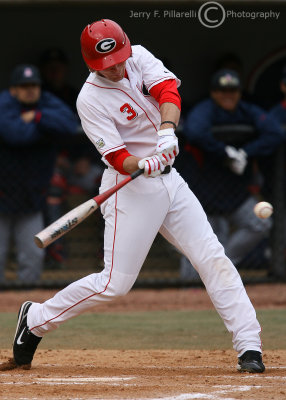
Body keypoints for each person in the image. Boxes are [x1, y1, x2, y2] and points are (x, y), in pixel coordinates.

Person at [1, 20, 265, 374]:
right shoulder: (89, 99)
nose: (116, 67)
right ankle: (35, 319)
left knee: (212, 257)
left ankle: (249, 345)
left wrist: (167, 132)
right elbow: (115, 157)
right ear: (91, 63)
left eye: (119, 59)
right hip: (131, 188)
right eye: (106, 65)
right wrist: (144, 162)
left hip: (172, 183)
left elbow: (168, 91)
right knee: (114, 284)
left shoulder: (138, 57)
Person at [179, 69, 284, 279]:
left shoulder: (247, 111)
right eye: (222, 90)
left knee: (260, 224)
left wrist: (246, 152)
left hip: (237, 190)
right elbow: (194, 131)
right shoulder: (205, 111)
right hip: (203, 190)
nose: (228, 95)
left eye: (233, 90)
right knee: (201, 240)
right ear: (213, 92)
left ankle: (222, 265)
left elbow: (275, 133)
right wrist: (225, 153)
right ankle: (188, 289)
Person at [0, 64, 78, 283]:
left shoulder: (44, 103)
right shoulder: (4, 102)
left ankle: (24, 305)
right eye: (23, 86)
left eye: (33, 85)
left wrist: (36, 116)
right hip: (1, 195)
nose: (30, 90)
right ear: (13, 89)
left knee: (33, 255)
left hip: (31, 197)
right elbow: (15, 135)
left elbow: (70, 124)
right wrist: (44, 130)